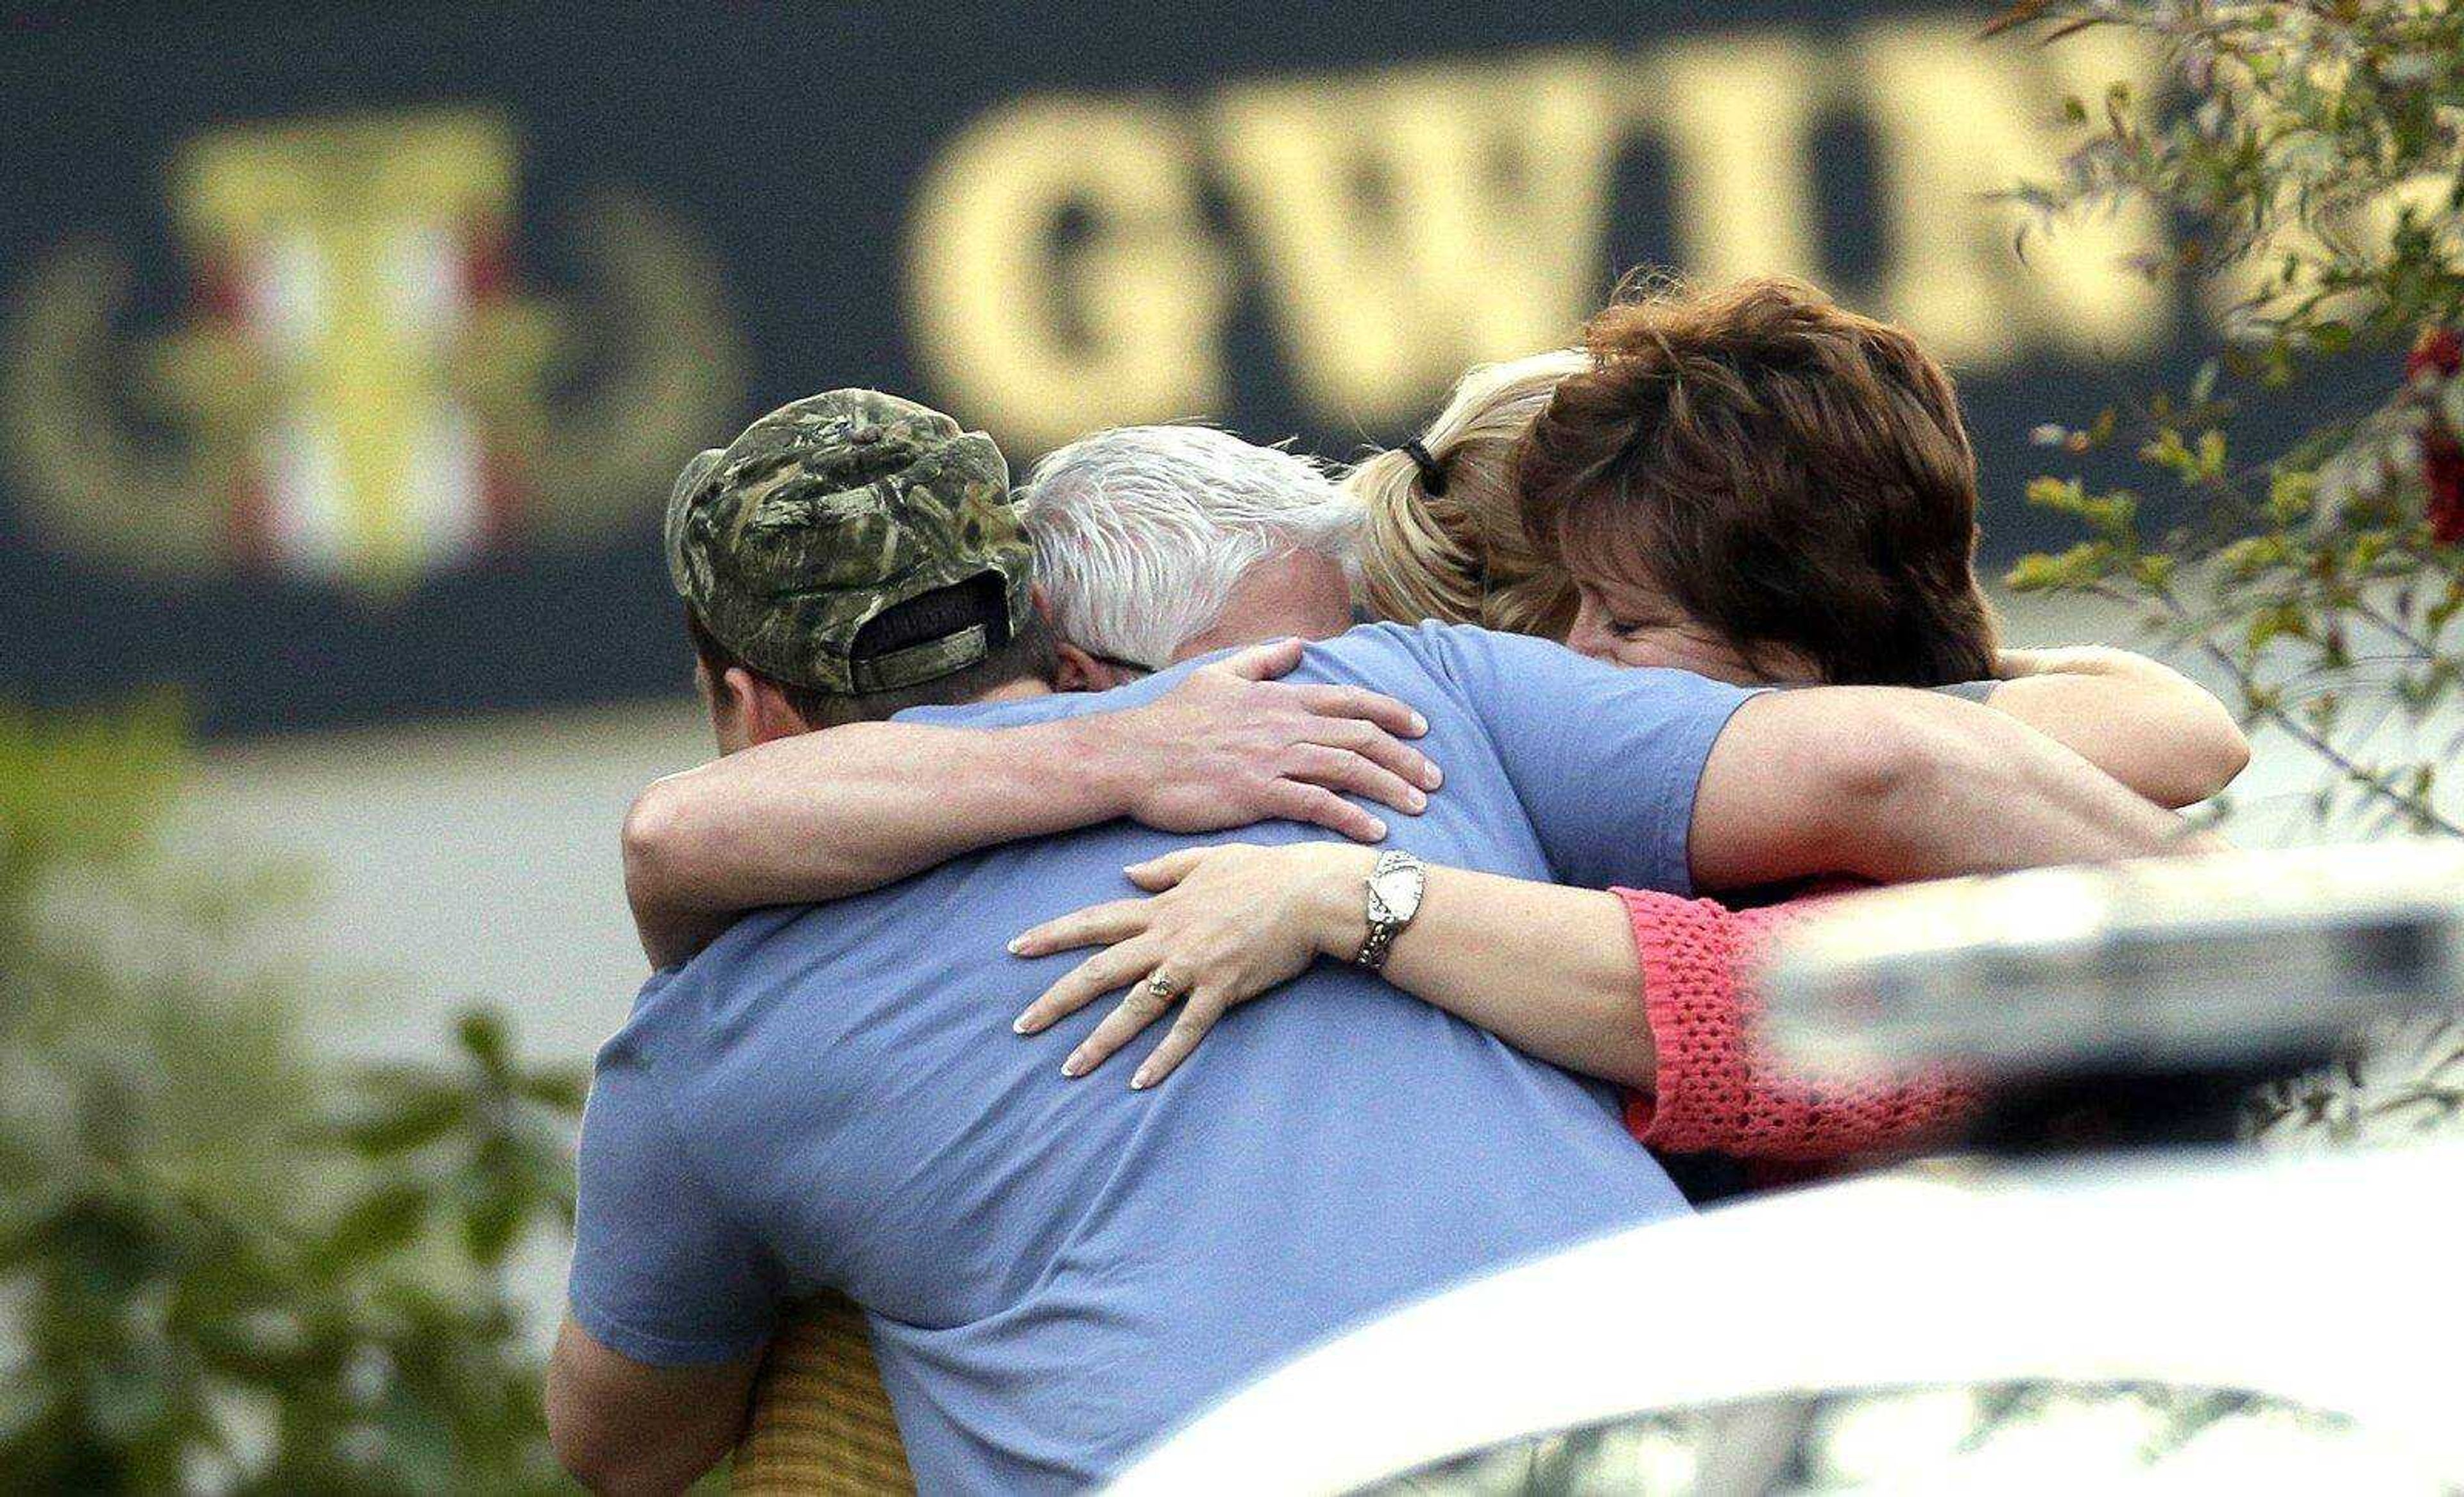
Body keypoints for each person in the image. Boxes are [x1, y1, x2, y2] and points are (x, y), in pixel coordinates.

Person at [549, 389, 2200, 1494]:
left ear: (746, 706)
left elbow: (625, 1447)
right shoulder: (1389, 698)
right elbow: (1917, 764)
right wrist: (2318, 951)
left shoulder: (707, 1048)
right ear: (1033, 615)